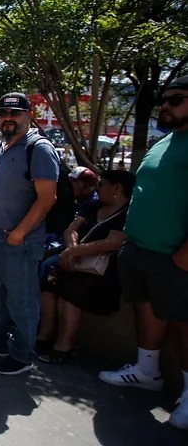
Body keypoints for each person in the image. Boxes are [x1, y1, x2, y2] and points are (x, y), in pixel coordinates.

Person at [97, 75, 188, 429]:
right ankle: (147, 371)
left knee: (183, 324)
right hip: (140, 251)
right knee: (146, 309)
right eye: (164, 100)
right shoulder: (163, 142)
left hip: (174, 256)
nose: (165, 105)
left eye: (175, 99)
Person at [0, 92, 59, 376]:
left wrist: (19, 232)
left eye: (14, 113)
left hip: (20, 241)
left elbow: (47, 198)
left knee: (21, 300)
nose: (7, 118)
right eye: (2, 113)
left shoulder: (39, 148)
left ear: (28, 116)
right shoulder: (5, 147)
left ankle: (23, 354)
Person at [38, 170, 134, 364]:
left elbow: (112, 243)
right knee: (50, 280)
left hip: (102, 269)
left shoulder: (128, 214)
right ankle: (44, 335)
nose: (98, 188)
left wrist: (75, 252)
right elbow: (71, 229)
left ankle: (64, 346)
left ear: (117, 188)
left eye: (102, 184)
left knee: (69, 292)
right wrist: (72, 249)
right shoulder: (93, 206)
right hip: (75, 260)